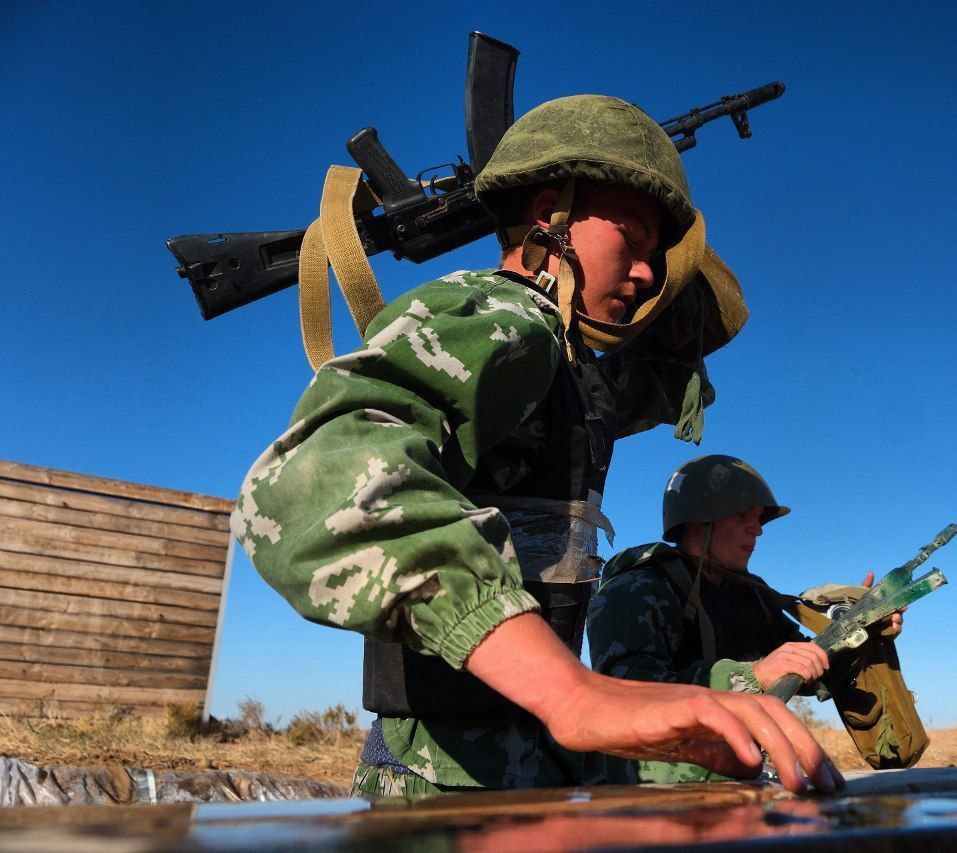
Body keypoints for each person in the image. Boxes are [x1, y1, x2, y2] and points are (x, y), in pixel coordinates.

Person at [231, 95, 840, 797]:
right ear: (551, 216)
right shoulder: (507, 317)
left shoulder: (578, 372)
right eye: (633, 241)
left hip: (521, 760)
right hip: (445, 778)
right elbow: (314, 479)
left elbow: (697, 331)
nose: (649, 275)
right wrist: (571, 693)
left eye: (657, 259)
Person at [588, 455, 916, 783]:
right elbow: (628, 697)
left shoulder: (750, 595)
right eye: (743, 515)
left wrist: (861, 630)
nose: (757, 529)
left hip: (736, 775)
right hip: (651, 784)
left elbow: (808, 668)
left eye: (758, 519)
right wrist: (753, 676)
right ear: (699, 520)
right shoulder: (637, 589)